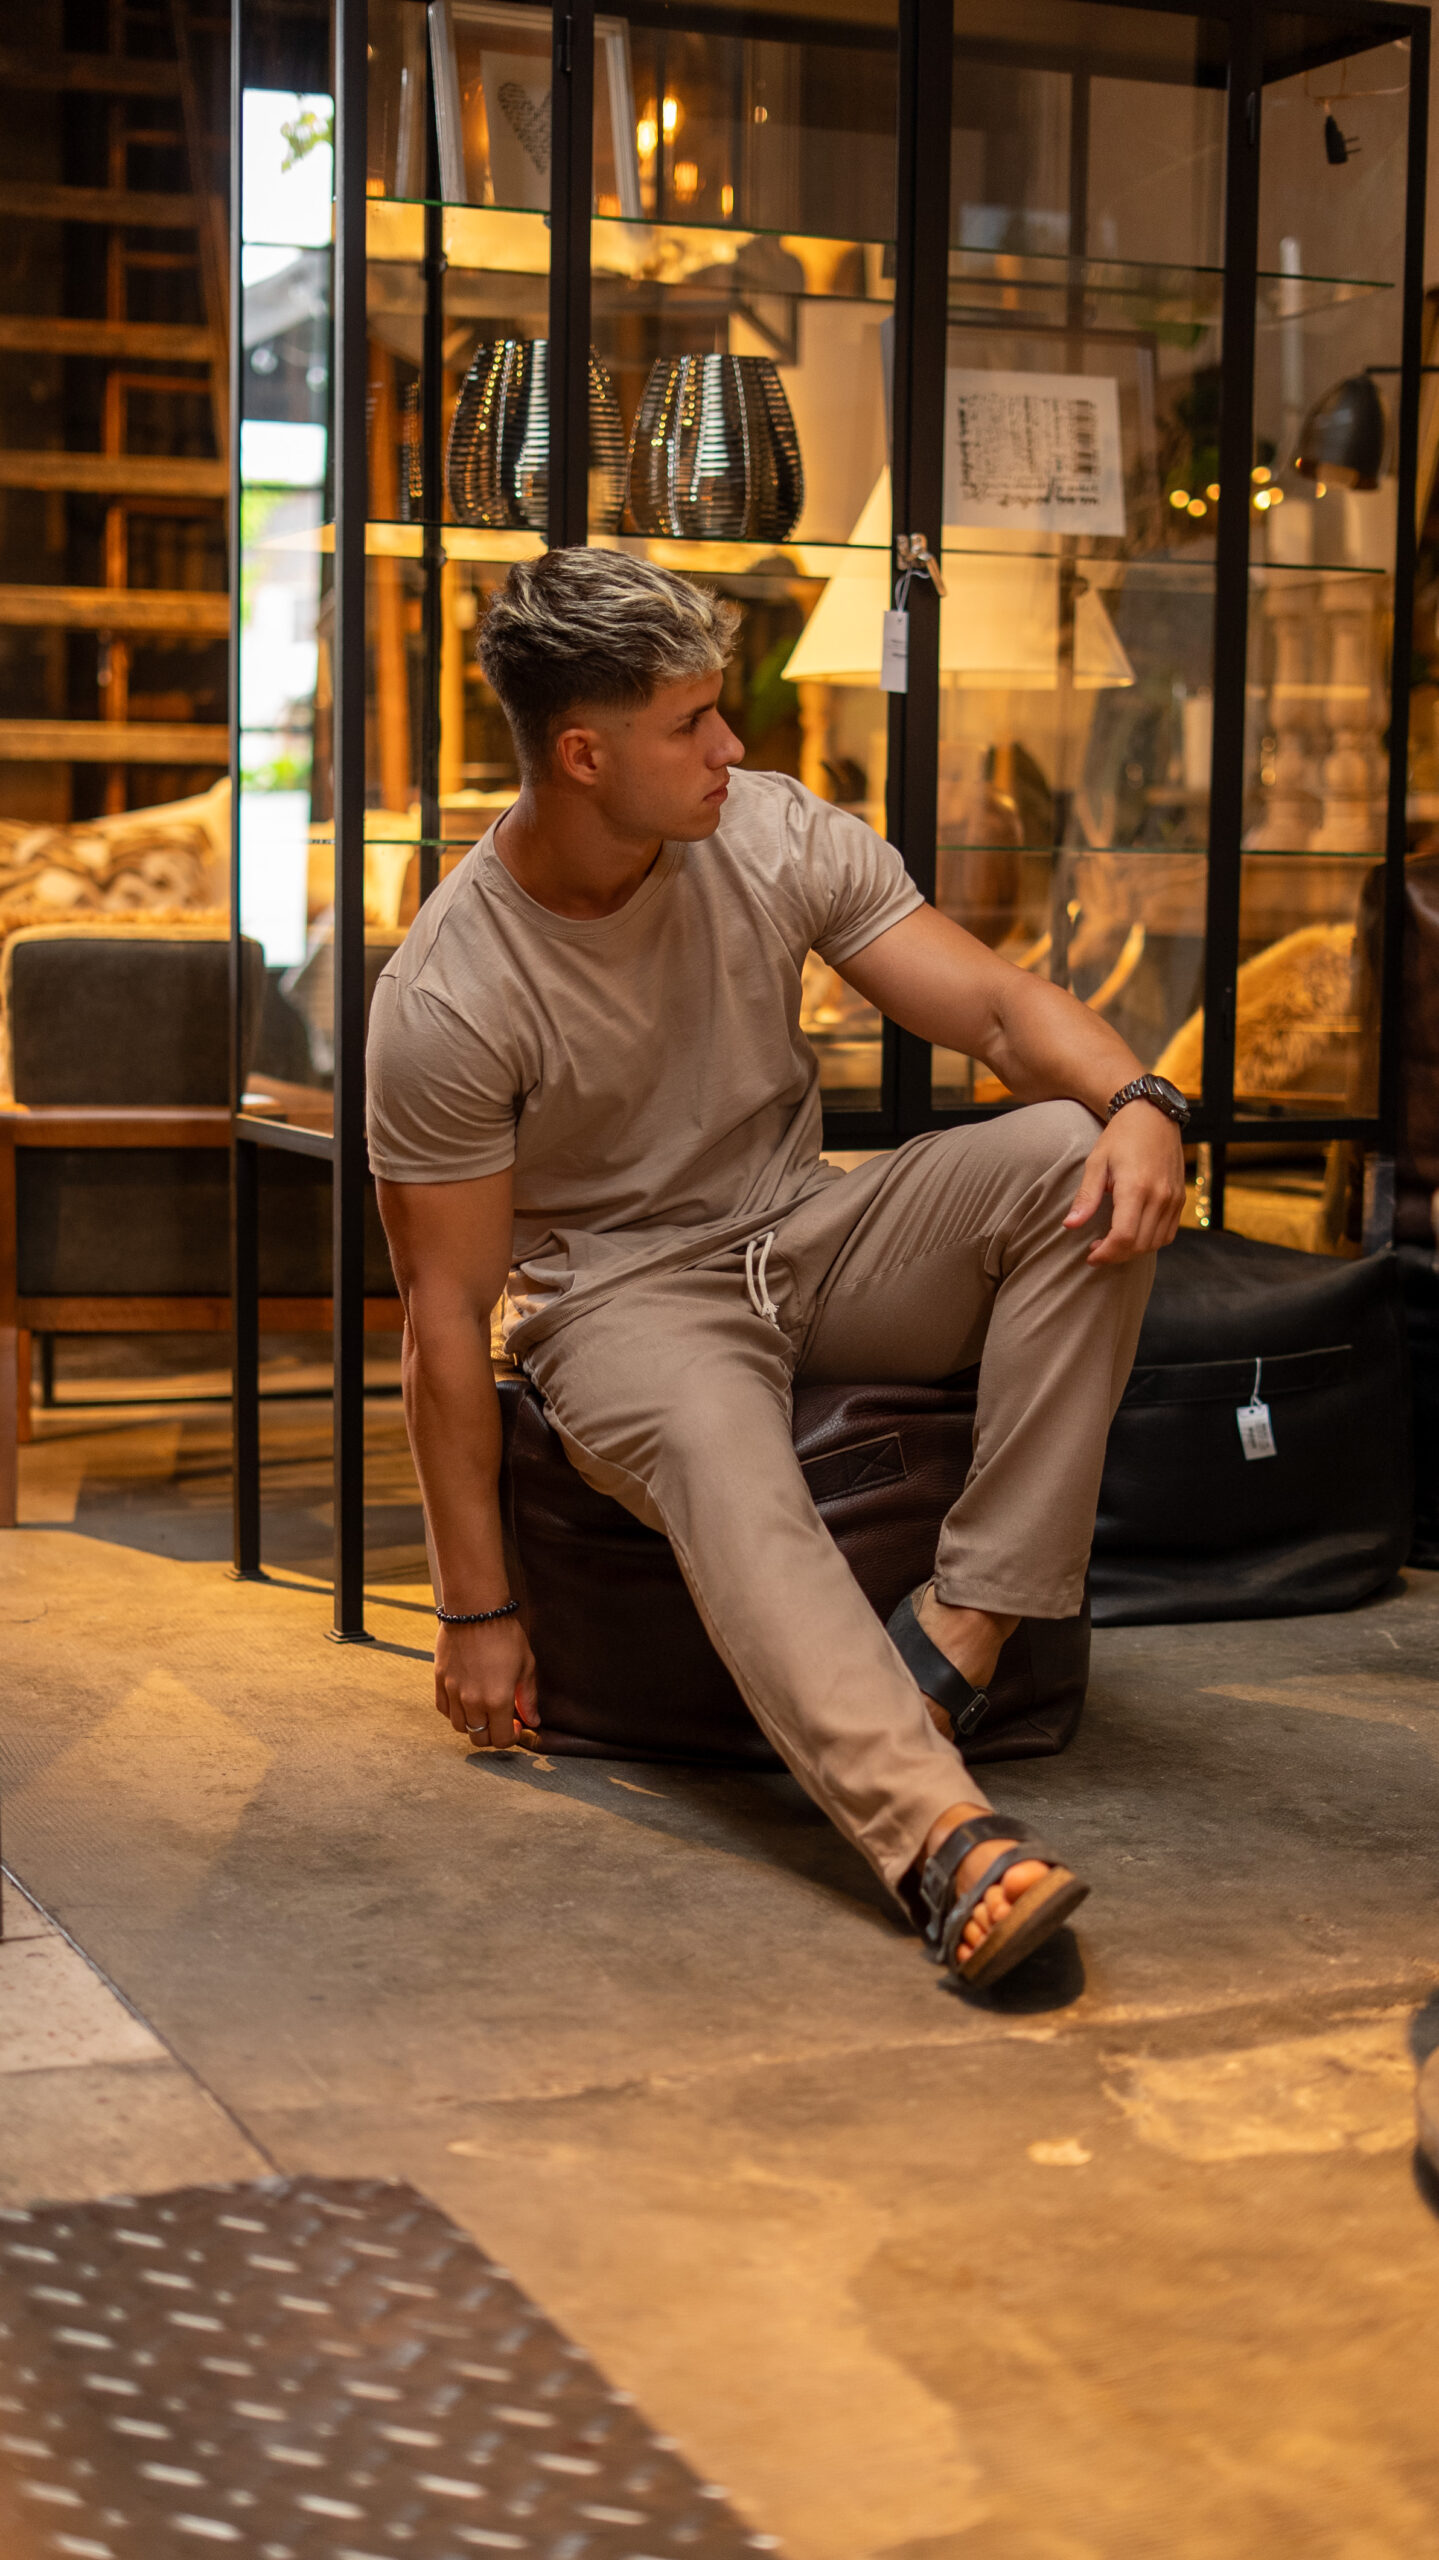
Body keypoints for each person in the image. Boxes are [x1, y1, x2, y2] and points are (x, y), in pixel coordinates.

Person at [367, 549, 1187, 1992]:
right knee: (719, 1449)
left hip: (808, 1231)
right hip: (622, 1303)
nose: (729, 747)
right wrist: (473, 1610)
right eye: (691, 722)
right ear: (583, 754)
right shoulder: (449, 992)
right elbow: (443, 1321)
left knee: (1072, 1154)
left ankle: (966, 1624)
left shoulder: (764, 830)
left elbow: (1000, 1009)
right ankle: (943, 1842)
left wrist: (1142, 1102)